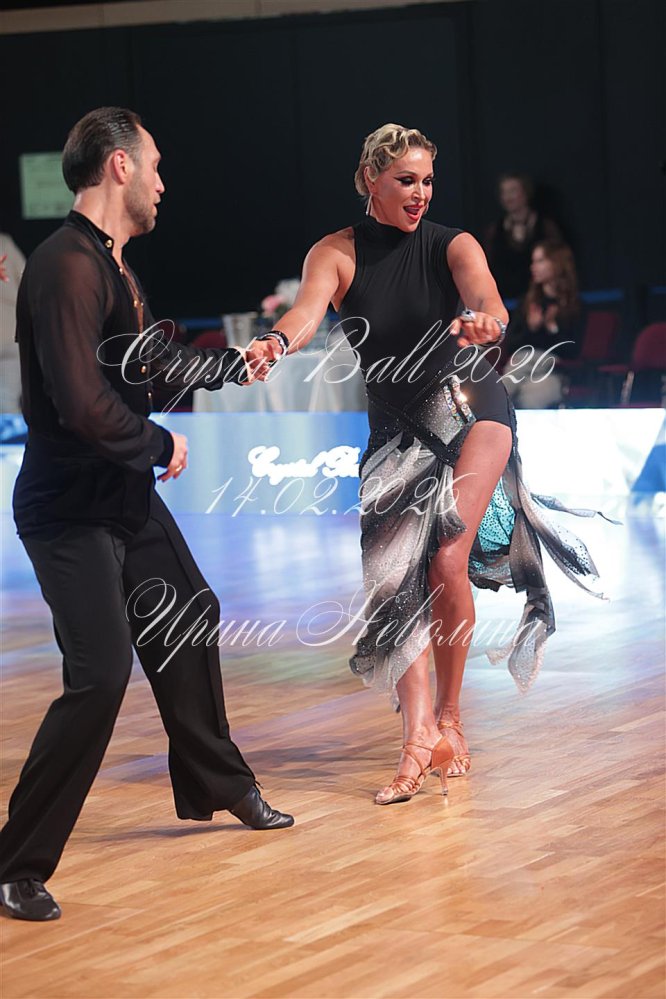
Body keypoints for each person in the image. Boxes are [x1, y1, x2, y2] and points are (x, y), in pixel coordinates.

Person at [249, 124, 608, 808]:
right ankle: (417, 738)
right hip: (397, 427)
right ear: (371, 180)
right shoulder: (335, 252)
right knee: (393, 580)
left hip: (473, 407)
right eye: (406, 180)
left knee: (446, 558)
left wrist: (487, 323)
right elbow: (305, 313)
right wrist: (273, 341)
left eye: (428, 181)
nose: (420, 193)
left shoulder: (453, 244)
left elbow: (490, 303)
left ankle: (451, 716)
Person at [0, 108, 293, 924]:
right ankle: (14, 862)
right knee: (99, 675)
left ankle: (221, 783)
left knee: (190, 612)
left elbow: (148, 365)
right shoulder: (64, 267)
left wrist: (234, 365)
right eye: (155, 165)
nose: (164, 182)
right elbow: (80, 401)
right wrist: (159, 443)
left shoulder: (110, 264)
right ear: (119, 165)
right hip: (68, 510)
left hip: (120, 498)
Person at [504, 239, 584, 408]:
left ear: (557, 263)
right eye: (533, 261)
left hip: (555, 371)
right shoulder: (527, 303)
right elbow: (511, 344)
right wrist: (531, 328)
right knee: (522, 367)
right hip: (523, 368)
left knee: (529, 395)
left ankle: (496, 398)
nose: (533, 267)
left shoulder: (574, 305)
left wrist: (552, 327)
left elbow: (573, 351)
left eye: (540, 261)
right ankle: (499, 400)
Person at [484, 173, 562, 300]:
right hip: (505, 299)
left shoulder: (545, 226)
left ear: (526, 192)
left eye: (513, 191)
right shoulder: (495, 231)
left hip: (541, 298)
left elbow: (559, 261)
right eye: (504, 192)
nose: (508, 197)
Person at [0, 232, 26, 413]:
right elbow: (28, 281)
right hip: (12, 334)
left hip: (11, 335)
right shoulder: (4, 243)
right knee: (7, 404)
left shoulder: (4, 242)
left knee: (7, 402)